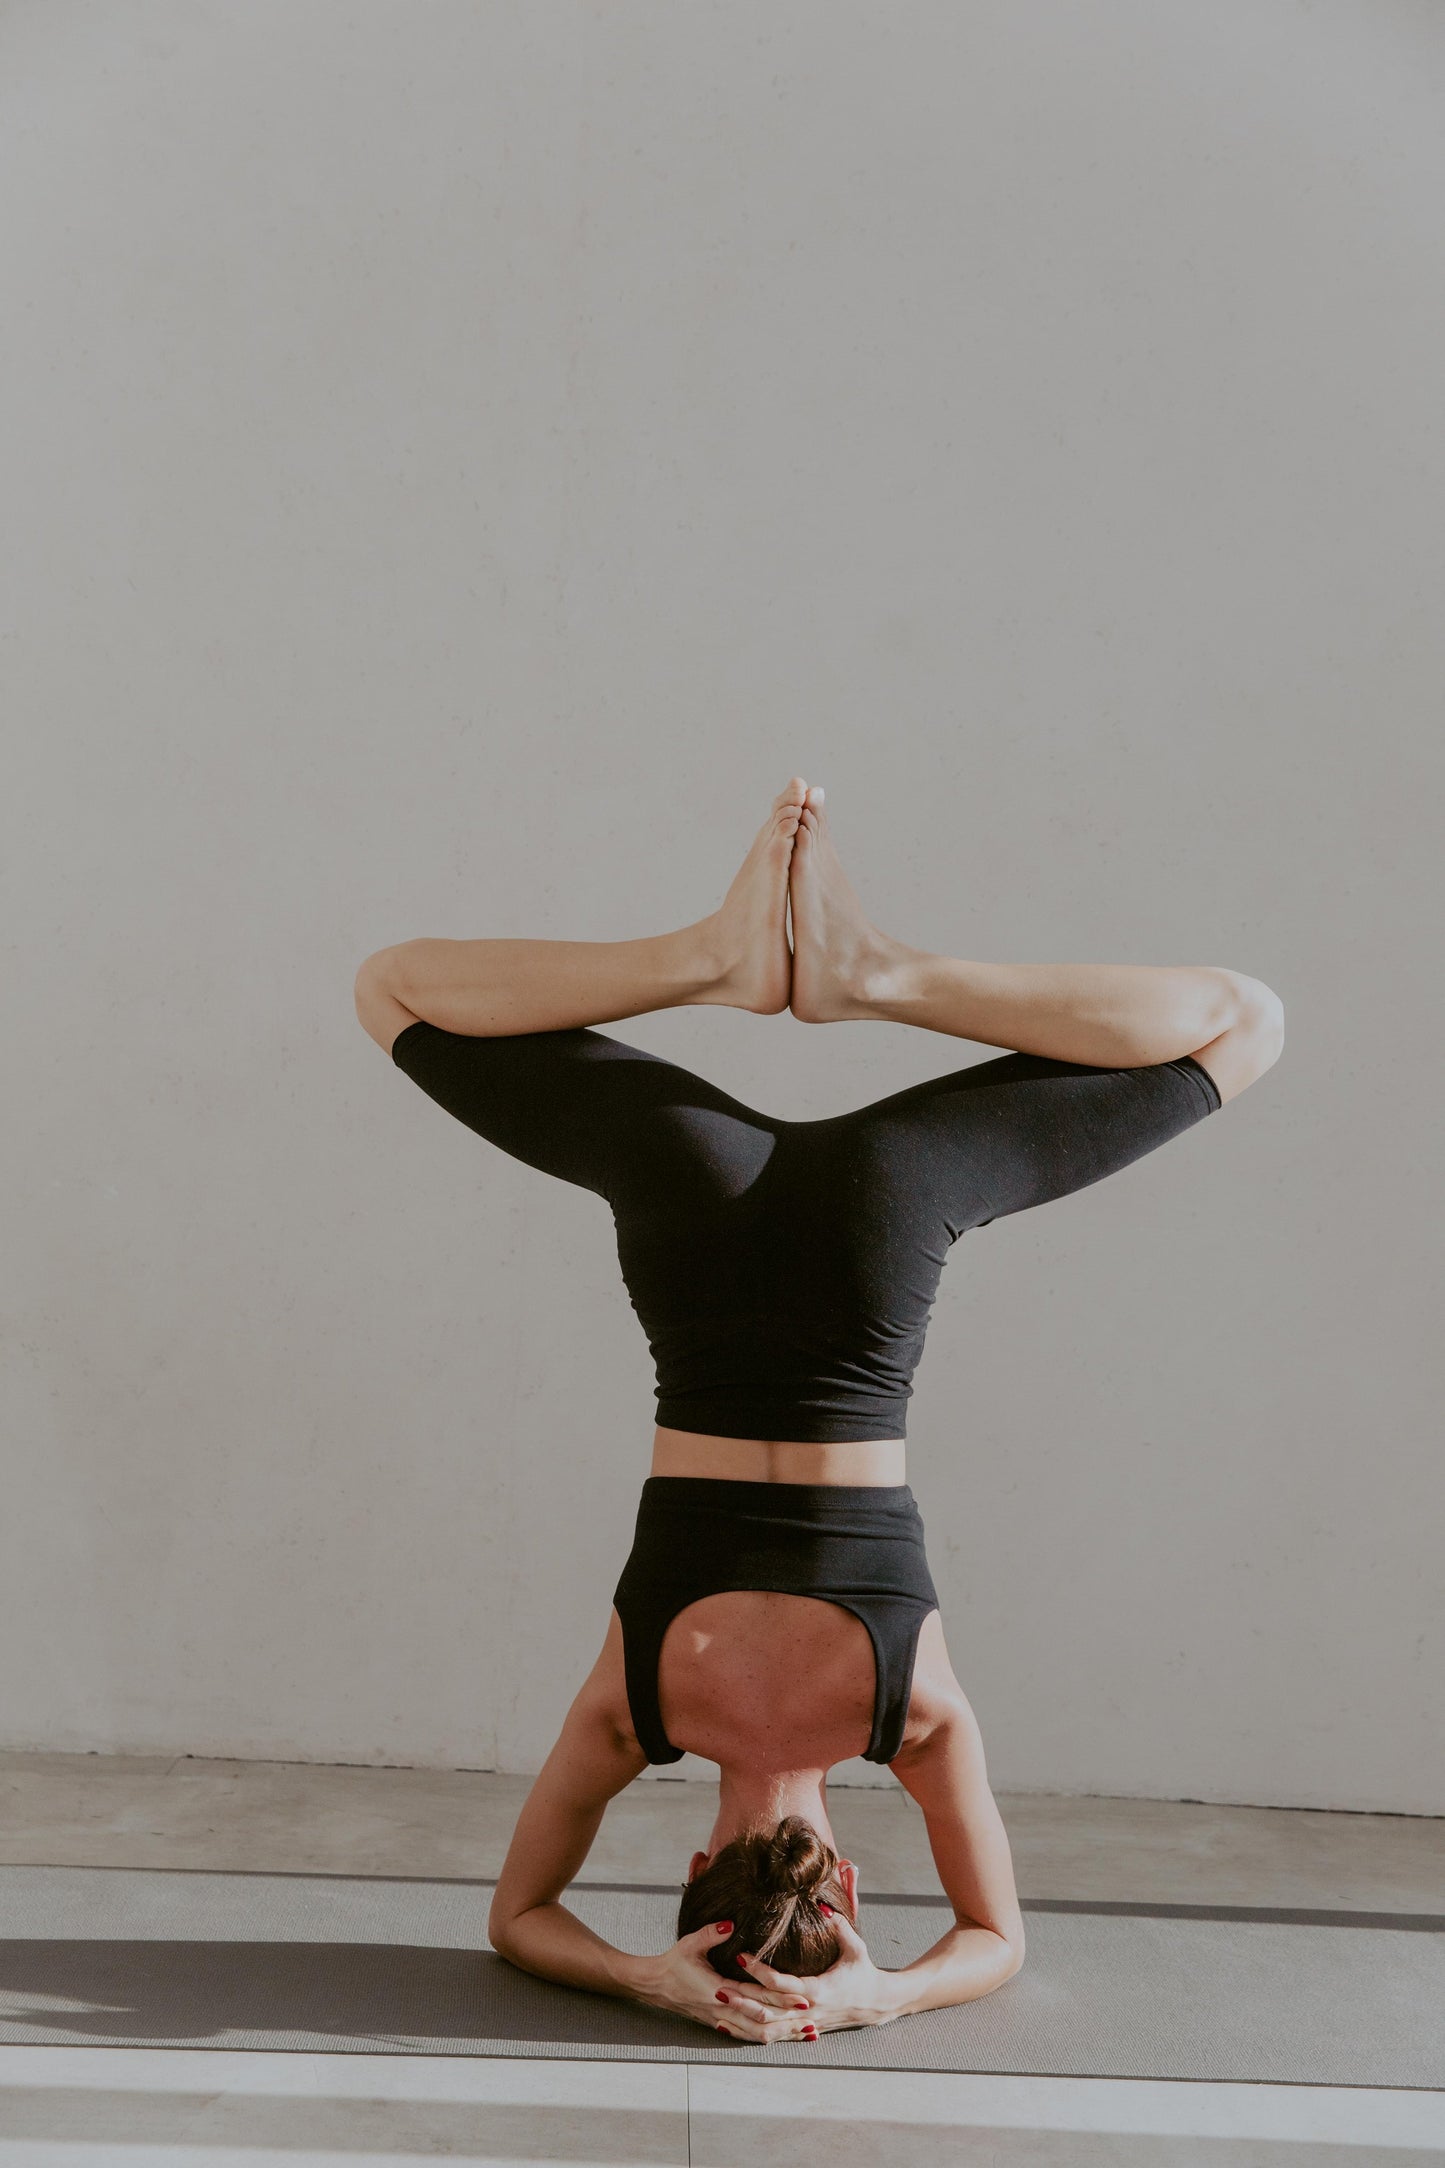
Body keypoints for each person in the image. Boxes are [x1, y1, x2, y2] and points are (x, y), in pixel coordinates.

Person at [353, 778, 1284, 2040]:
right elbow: (519, 1919)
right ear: (693, 1876)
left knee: (1242, 1023)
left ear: (843, 1881)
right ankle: (716, 959)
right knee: (389, 988)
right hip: (698, 1231)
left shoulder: (912, 1716)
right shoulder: (640, 1707)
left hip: (873, 1242)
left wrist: (879, 1991)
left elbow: (994, 1940)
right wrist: (644, 1968)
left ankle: (881, 974)